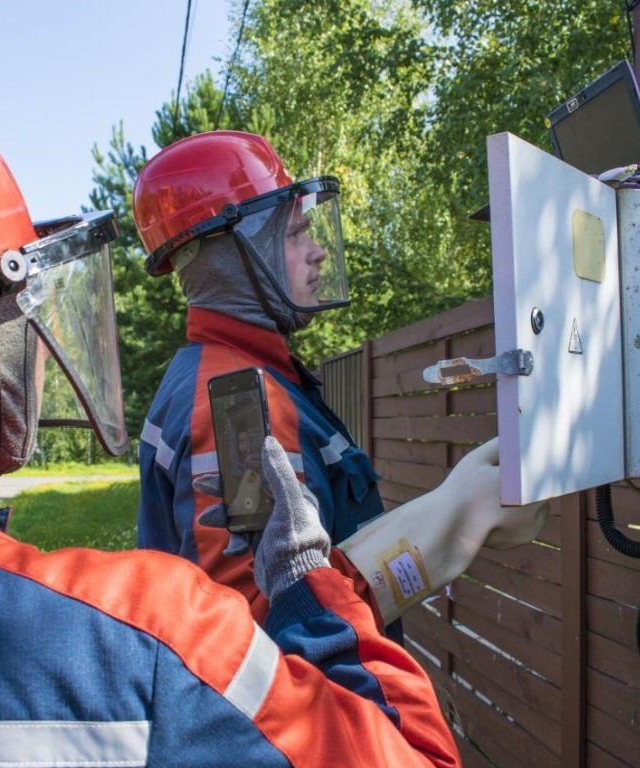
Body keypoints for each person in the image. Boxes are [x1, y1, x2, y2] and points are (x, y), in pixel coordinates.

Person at [0, 90, 464, 767]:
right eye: (20, 304)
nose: (35, 346)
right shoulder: (155, 630)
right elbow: (306, 680)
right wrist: (315, 588)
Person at [132, 130, 548, 630]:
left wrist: (443, 509)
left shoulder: (227, 373)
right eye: (293, 234)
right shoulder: (239, 402)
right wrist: (453, 521)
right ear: (231, 258)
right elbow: (269, 634)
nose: (317, 252)